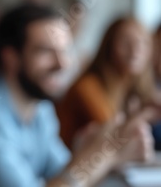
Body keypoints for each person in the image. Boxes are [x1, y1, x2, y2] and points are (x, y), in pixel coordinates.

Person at [0, 3, 155, 187]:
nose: (62, 63)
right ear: (11, 58)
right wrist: (101, 154)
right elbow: (72, 176)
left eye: (65, 50)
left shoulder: (40, 108)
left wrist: (94, 149)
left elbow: (62, 174)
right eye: (45, 51)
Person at [56, 17, 158, 148]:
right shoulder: (87, 87)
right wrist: (146, 114)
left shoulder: (129, 90)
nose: (135, 50)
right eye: (126, 42)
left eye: (143, 43)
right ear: (109, 46)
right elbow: (112, 136)